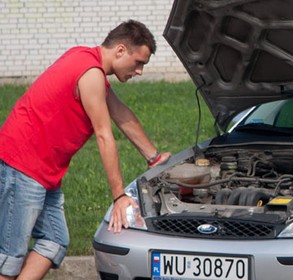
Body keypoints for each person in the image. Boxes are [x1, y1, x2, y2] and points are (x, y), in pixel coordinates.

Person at [0, 20, 172, 280]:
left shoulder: (87, 61)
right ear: (121, 50)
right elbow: (104, 136)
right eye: (138, 62)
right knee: (10, 258)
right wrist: (118, 197)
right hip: (22, 166)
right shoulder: (90, 73)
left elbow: (121, 113)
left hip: (43, 171)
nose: (140, 71)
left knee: (54, 240)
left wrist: (154, 157)